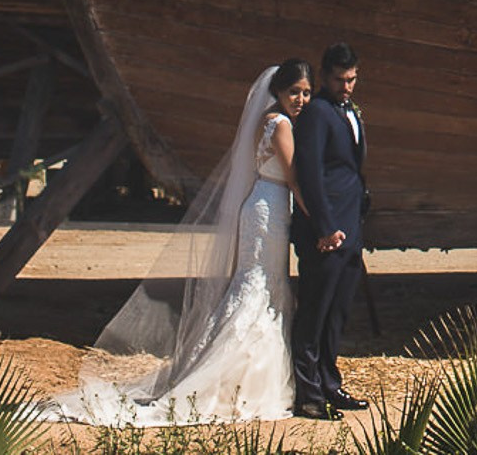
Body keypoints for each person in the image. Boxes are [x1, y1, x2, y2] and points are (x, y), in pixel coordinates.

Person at [40, 59, 311, 425]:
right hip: (271, 208)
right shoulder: (281, 125)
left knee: (257, 284)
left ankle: (234, 372)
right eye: (295, 91)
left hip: (261, 204)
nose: (301, 98)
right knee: (259, 287)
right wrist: (319, 217)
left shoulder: (265, 121)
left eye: (307, 92)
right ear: (278, 91)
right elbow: (294, 177)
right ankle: (239, 380)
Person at [289, 41, 368, 417]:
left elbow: (350, 168)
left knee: (336, 313)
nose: (346, 87)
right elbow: (310, 174)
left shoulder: (348, 110)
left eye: (352, 79)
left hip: (351, 226)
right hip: (325, 230)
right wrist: (323, 227)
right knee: (314, 312)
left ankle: (330, 384)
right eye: (339, 80)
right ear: (324, 76)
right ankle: (309, 395)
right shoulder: (317, 114)